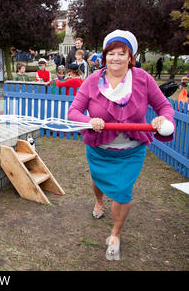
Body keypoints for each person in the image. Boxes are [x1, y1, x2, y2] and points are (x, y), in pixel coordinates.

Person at [67, 30, 175, 261]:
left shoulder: (143, 79)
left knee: (123, 192)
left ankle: (115, 233)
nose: (116, 58)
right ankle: (98, 200)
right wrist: (89, 121)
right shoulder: (92, 80)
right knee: (98, 181)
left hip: (131, 151)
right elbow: (73, 112)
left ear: (130, 57)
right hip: (99, 150)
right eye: (111, 54)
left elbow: (164, 107)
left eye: (121, 53)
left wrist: (162, 120)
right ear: (104, 57)